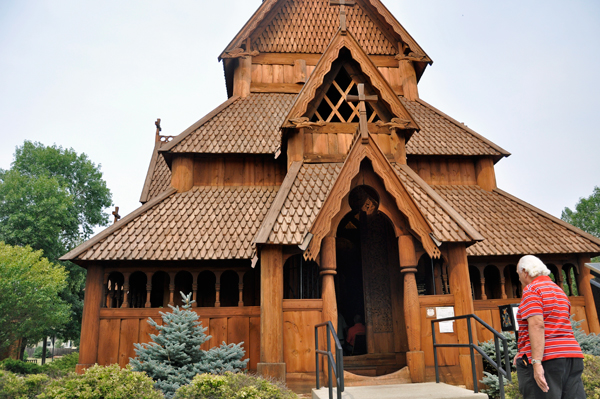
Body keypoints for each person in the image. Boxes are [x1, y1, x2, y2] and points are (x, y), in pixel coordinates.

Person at [514, 255, 584, 399]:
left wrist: (536, 362)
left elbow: (537, 325)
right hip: (572, 355)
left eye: (518, 274)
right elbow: (557, 324)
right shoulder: (559, 291)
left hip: (547, 358)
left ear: (525, 272)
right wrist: (523, 350)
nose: (519, 278)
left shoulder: (532, 290)